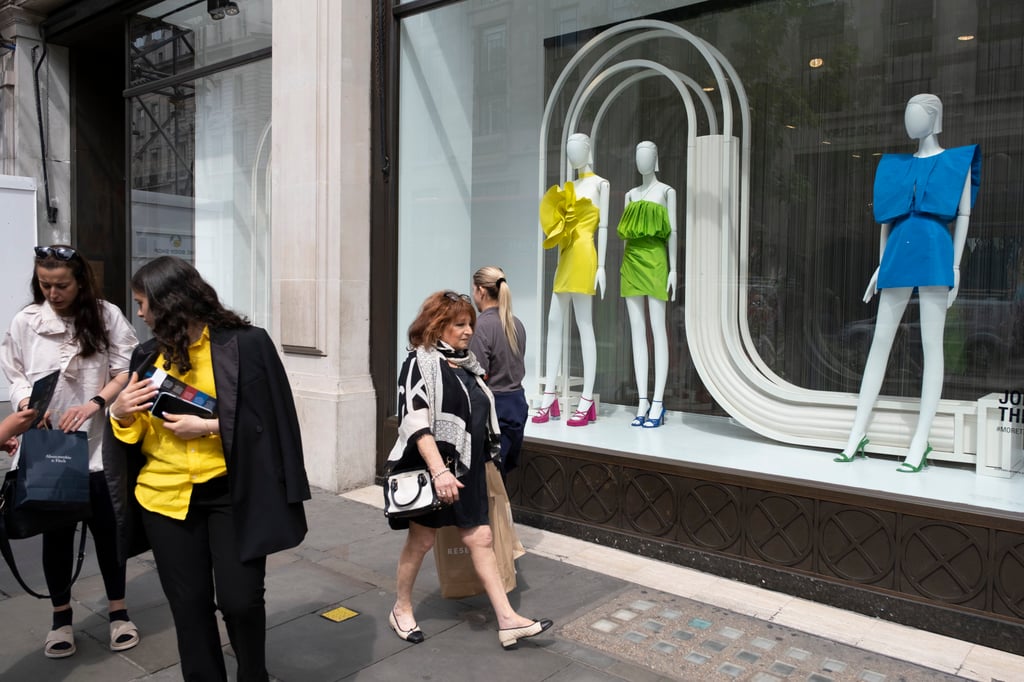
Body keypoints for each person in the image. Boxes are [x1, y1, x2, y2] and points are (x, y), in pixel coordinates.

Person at [103, 256, 310, 681]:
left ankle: (254, 674)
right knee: (189, 607)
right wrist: (121, 414)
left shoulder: (246, 344)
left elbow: (271, 418)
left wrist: (210, 426)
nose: (138, 313)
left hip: (231, 493)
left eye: (143, 303)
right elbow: (134, 434)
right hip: (164, 499)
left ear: (171, 300)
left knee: (241, 600)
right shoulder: (145, 356)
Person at [387, 290, 552, 649]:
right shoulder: (419, 363)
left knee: (481, 538)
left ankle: (507, 620)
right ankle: (401, 608)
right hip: (437, 469)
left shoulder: (467, 365)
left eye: (469, 324)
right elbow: (414, 422)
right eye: (459, 324)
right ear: (437, 326)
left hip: (469, 466)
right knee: (422, 540)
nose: (467, 331)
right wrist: (439, 471)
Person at [0, 244, 141, 659]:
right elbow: (15, 373)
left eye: (61, 285)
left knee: (108, 530)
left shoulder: (107, 315)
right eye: (45, 285)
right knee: (56, 535)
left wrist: (95, 403)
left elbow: (124, 369)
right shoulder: (25, 321)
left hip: (97, 444)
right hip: (46, 445)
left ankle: (119, 611)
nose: (53, 293)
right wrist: (28, 406)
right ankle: (61, 619)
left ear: (80, 281)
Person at [835, 94, 981, 472]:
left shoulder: (955, 161)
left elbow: (963, 214)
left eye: (915, 114)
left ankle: (921, 440)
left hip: (935, 252)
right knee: (880, 341)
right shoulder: (895, 167)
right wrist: (880, 267)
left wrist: (956, 268)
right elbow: (886, 221)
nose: (908, 121)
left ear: (934, 118)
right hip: (898, 252)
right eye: (906, 113)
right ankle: (856, 432)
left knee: (932, 345)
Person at [535, 132, 609, 427]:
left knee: (584, 323)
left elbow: (603, 226)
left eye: (576, 149)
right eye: (568, 150)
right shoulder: (570, 187)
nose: (571, 154)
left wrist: (602, 265)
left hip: (584, 254)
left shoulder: (599, 184)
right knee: (554, 320)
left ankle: (587, 399)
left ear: (588, 150)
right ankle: (550, 394)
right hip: (565, 254)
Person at [618, 141, 677, 428]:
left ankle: (658, 401)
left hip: (656, 261)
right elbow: (627, 236)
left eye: (646, 155)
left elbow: (673, 233)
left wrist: (675, 269)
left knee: (658, 330)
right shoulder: (630, 195)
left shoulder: (667, 192)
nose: (641, 160)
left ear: (655, 159)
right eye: (637, 154)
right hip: (631, 263)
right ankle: (642, 400)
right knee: (637, 333)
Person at [470, 266, 528, 473]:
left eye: (473, 290)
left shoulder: (480, 327)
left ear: (481, 291)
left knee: (488, 483)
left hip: (494, 411)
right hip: (517, 406)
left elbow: (478, 376)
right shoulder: (516, 324)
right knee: (500, 479)